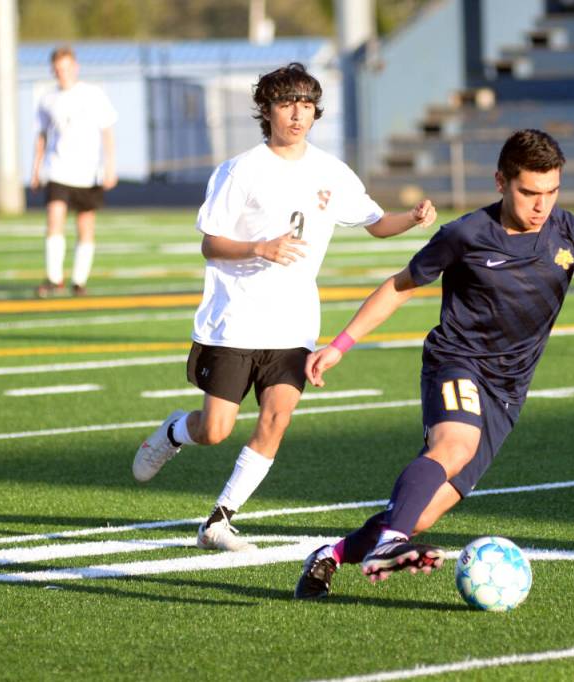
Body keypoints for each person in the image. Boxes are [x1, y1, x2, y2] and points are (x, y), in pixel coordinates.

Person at [293, 129, 574, 599]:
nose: (540, 205)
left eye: (551, 192)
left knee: (421, 512)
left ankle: (332, 554)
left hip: (508, 392)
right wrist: (340, 345)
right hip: (456, 360)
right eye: (529, 192)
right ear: (501, 182)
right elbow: (400, 286)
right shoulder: (466, 234)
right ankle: (391, 541)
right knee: (455, 446)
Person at [132, 63, 437, 552]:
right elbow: (211, 244)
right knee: (215, 430)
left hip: (294, 325)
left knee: (277, 417)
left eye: (306, 104)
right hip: (234, 322)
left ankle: (219, 521)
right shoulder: (240, 169)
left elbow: (375, 221)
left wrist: (413, 218)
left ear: (316, 111)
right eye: (286, 103)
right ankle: (172, 432)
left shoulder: (330, 171)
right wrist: (259, 248)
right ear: (267, 110)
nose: (297, 114)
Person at [31, 46, 118, 298]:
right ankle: (53, 277)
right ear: (53, 70)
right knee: (54, 218)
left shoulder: (93, 94)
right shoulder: (47, 99)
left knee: (85, 225)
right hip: (57, 170)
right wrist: (35, 169)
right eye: (58, 69)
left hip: (88, 173)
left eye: (67, 68)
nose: (63, 74)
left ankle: (79, 281)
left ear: (76, 67)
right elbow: (41, 137)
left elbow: (107, 132)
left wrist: (110, 166)